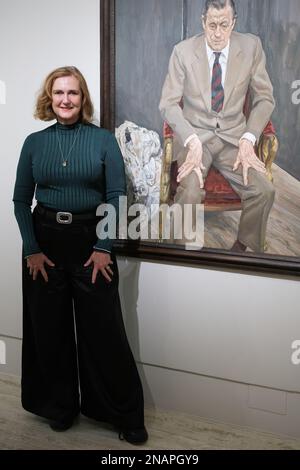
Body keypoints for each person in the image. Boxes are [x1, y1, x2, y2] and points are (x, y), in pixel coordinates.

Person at [13, 66, 148, 445]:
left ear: (82, 98)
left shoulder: (103, 141)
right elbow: (21, 200)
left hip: (91, 241)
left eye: (72, 93)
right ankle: (60, 407)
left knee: (103, 331)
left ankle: (123, 415)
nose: (65, 100)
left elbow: (116, 195)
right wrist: (32, 249)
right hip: (45, 243)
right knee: (48, 330)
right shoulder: (33, 143)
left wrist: (104, 246)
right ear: (49, 98)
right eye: (59, 93)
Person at [159, 0, 275, 252]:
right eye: (212, 25)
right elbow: (168, 104)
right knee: (188, 191)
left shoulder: (252, 47)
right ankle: (183, 254)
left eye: (224, 24)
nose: (218, 32)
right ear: (203, 22)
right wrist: (189, 140)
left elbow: (265, 98)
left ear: (233, 22)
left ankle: (242, 248)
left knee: (264, 190)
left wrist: (249, 137)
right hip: (195, 140)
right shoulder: (183, 51)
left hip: (235, 140)